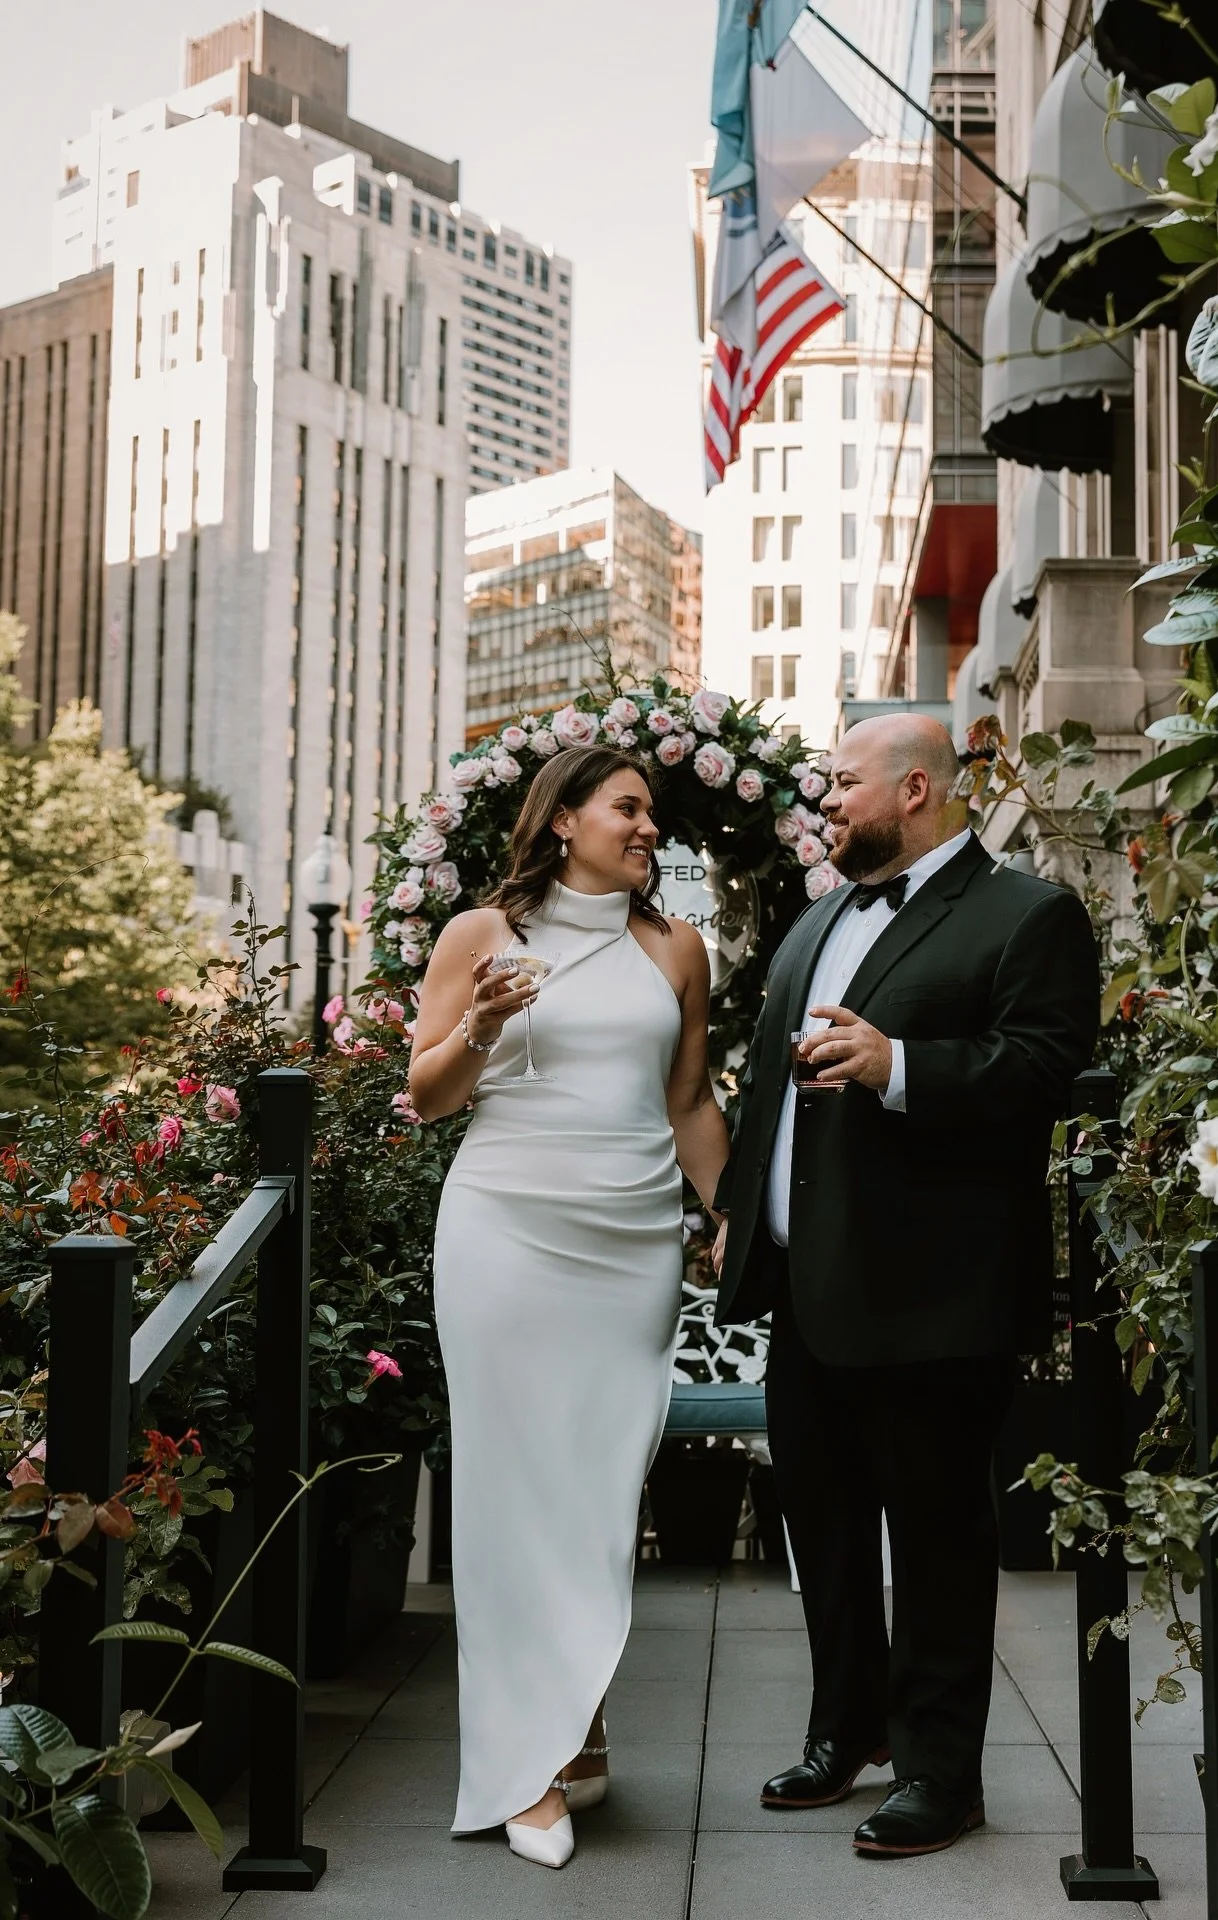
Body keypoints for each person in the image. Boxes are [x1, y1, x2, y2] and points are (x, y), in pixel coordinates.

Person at [711, 713, 1099, 1859]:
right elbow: (771, 1087)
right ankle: (845, 1734)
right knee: (822, 1527)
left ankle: (940, 1775)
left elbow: (1043, 1068)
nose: (827, 801)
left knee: (935, 1540)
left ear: (916, 787)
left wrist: (900, 1066)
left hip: (933, 1294)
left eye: (842, 784)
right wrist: (738, 1214)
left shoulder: (1028, 914)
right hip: (801, 1285)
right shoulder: (819, 915)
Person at [409, 745, 729, 1871]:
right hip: (505, 1230)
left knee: (598, 1489)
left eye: (653, 813)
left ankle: (579, 1725)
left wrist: (728, 1214)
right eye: (628, 808)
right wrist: (484, 1026)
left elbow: (688, 1098)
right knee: (511, 1488)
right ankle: (526, 1768)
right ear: (564, 822)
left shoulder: (677, 950)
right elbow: (426, 1095)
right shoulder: (479, 938)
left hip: (632, 1243)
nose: (649, 828)